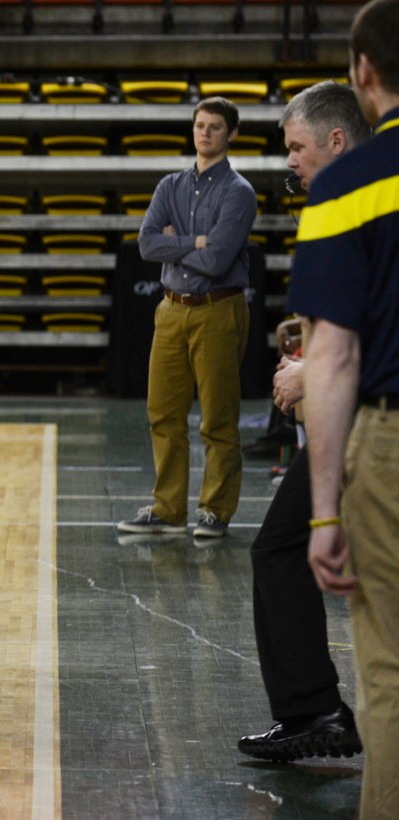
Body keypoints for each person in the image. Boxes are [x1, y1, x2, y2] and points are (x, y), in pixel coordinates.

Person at [287, 0, 399, 813]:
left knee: (390, 669)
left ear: (364, 72)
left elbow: (333, 356)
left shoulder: (351, 184)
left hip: (389, 446)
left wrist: (324, 512)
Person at [238, 81, 370, 763]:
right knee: (279, 548)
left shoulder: (350, 201)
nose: (288, 160)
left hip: (370, 424)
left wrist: (309, 373)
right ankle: (312, 709)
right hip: (357, 417)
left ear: (337, 141)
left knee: (291, 548)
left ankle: (314, 709)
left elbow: (360, 337)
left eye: (296, 146)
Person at [117, 96, 258, 538]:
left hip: (218, 309)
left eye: (215, 127)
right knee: (163, 412)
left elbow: (217, 260)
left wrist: (182, 242)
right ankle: (168, 508)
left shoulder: (239, 192)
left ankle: (215, 509)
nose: (205, 133)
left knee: (217, 417)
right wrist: (197, 242)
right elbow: (145, 244)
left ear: (231, 134)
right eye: (200, 125)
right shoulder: (169, 186)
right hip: (171, 309)